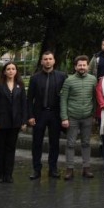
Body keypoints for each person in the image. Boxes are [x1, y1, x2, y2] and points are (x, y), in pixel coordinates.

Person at [27, 51, 66, 180]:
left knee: (54, 143)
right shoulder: (35, 78)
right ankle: (36, 169)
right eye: (45, 59)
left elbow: (66, 97)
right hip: (39, 114)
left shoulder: (62, 76)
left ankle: (53, 169)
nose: (48, 61)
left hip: (55, 114)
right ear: (42, 61)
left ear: (54, 61)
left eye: (50, 59)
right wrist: (30, 116)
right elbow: (29, 99)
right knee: (36, 143)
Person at [60, 56, 97, 180]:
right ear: (75, 67)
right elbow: (63, 100)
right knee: (70, 144)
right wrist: (64, 117)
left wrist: (94, 114)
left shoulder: (93, 80)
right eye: (79, 65)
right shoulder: (69, 81)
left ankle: (86, 168)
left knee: (86, 143)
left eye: (84, 65)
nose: (82, 67)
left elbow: (95, 98)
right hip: (72, 117)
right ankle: (69, 169)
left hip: (87, 116)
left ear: (87, 66)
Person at [0, 62, 26, 183]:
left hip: (14, 124)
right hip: (0, 124)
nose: (11, 71)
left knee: (11, 149)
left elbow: (23, 105)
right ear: (4, 71)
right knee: (0, 149)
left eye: (13, 69)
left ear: (16, 71)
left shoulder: (20, 86)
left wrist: (23, 121)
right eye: (8, 69)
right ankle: (1, 173)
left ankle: (9, 173)